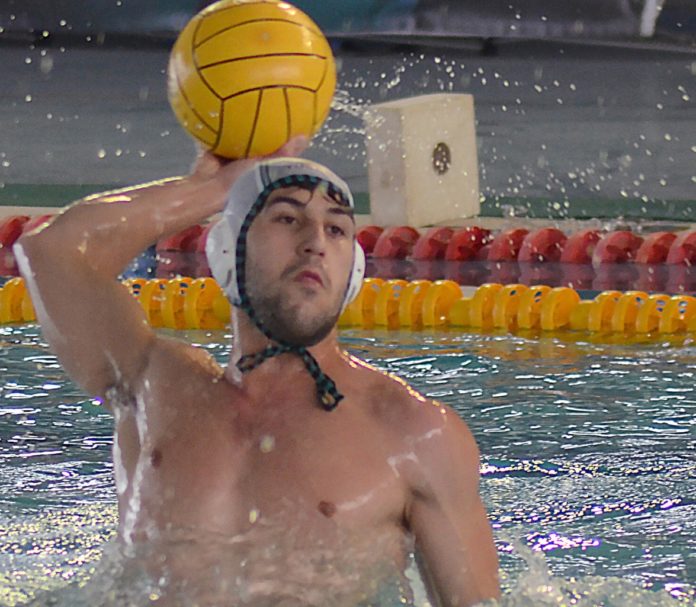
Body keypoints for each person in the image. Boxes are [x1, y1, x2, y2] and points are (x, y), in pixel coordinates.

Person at [15, 137, 500, 607]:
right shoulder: (154, 386)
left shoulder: (414, 434)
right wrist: (211, 189)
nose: (315, 243)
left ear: (353, 272)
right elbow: (52, 252)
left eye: (337, 230)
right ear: (229, 248)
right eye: (287, 218)